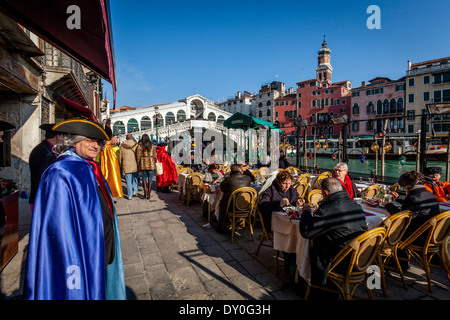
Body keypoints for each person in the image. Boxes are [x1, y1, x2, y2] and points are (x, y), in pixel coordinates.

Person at [25, 118, 125, 300]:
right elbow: (59, 227)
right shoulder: (61, 172)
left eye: (99, 142)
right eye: (90, 140)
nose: (96, 146)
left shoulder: (88, 167)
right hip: (81, 251)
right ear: (74, 141)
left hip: (99, 246)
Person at [299, 177, 368, 290]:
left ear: (325, 193)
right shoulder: (356, 206)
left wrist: (306, 211)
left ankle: (312, 288)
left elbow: (306, 231)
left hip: (339, 262)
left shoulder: (328, 210)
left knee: (309, 248)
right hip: (360, 258)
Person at [383, 170, 440, 243]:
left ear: (408, 186)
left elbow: (401, 218)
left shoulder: (412, 197)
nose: (403, 188)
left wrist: (388, 205)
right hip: (432, 234)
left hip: (416, 236)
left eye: (403, 186)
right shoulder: (429, 194)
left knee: (385, 229)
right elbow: (416, 205)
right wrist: (399, 198)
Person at [28, 123, 62, 211]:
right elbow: (46, 176)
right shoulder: (43, 151)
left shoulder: (48, 149)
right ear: (57, 136)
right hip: (42, 198)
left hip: (44, 197)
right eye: (62, 136)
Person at [216, 164, 252, 233]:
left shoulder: (229, 179)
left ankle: (221, 224)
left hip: (232, 207)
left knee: (223, 201)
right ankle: (236, 222)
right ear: (239, 170)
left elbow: (222, 188)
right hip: (246, 206)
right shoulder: (248, 178)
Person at [136, 133, 157, 200]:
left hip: (143, 163)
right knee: (150, 179)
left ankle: (145, 193)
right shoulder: (152, 145)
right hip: (151, 164)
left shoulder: (140, 146)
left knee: (144, 178)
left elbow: (138, 156)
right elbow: (155, 155)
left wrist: (138, 164)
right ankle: (149, 194)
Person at [118, 133, 139, 200]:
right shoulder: (136, 145)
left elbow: (120, 156)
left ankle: (129, 195)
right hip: (135, 164)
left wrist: (121, 164)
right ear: (132, 138)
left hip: (126, 164)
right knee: (135, 179)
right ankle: (135, 191)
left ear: (126, 138)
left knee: (128, 180)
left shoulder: (122, 145)